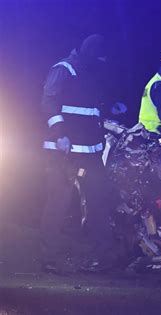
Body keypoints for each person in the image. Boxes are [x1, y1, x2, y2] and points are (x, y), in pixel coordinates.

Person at [40, 34, 124, 273]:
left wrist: (110, 107)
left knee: (98, 201)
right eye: (100, 58)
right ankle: (50, 259)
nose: (102, 63)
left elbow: (90, 105)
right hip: (64, 151)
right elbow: (48, 101)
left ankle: (104, 257)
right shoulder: (63, 69)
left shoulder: (91, 70)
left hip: (90, 150)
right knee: (58, 202)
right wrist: (59, 134)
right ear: (90, 54)